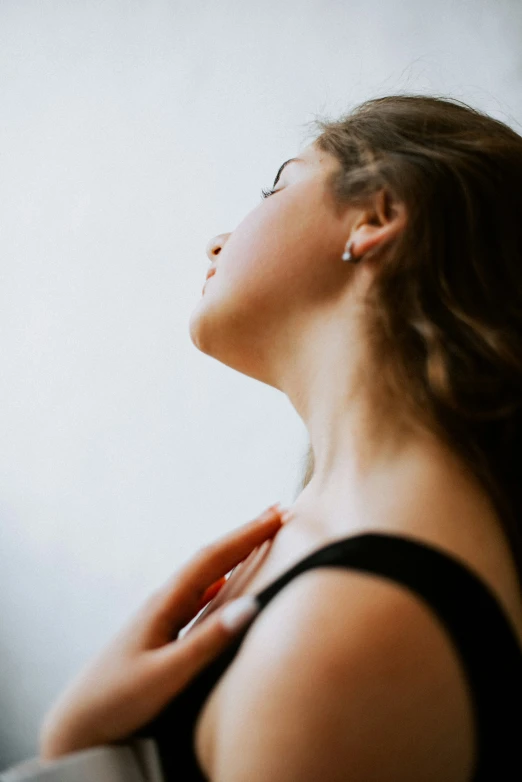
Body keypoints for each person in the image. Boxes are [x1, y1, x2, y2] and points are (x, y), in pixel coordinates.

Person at [2, 93, 522, 782]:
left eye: (277, 183)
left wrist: (80, 759)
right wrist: (81, 743)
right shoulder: (336, 556)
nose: (216, 240)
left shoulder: (353, 627)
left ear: (376, 217)